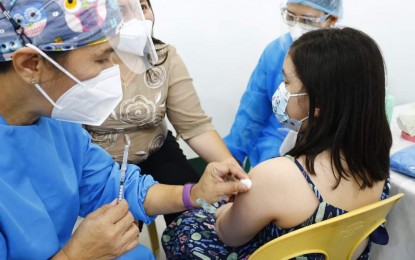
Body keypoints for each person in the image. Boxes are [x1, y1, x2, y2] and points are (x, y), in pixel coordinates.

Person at [0, 0, 250, 259]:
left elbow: (109, 184)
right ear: (31, 64)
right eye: (100, 59)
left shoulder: (59, 124)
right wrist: (77, 254)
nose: (113, 71)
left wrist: (192, 194)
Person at [162, 27, 392, 259]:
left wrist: (226, 209)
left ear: (318, 102)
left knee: (184, 228)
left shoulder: (275, 176)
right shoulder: (377, 164)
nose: (279, 90)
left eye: (286, 81)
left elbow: (228, 234)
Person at [85, 0, 235, 226]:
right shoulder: (81, 65)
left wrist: (232, 168)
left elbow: (195, 126)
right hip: (104, 165)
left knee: (202, 214)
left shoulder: (164, 57)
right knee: (118, 232)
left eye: (142, 7)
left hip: (157, 153)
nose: (137, 18)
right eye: (121, 10)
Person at [224, 0, 342, 168]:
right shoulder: (276, 52)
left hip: (327, 152)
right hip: (272, 147)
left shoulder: (345, 60)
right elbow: (251, 113)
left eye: (307, 21)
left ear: (331, 20)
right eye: (291, 16)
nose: (297, 27)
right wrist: (230, 158)